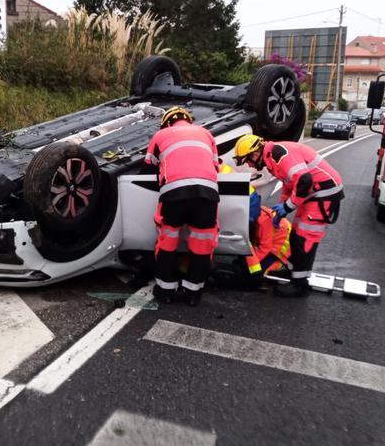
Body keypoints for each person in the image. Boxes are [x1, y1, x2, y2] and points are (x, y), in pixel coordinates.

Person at [233, 134, 344, 297]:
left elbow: (304, 180)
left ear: (255, 154)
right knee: (296, 234)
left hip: (323, 193)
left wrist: (287, 207)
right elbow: (289, 182)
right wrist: (283, 206)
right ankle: (294, 272)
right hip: (312, 193)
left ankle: (300, 285)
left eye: (248, 160)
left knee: (305, 238)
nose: (250, 165)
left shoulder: (279, 154)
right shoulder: (272, 157)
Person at [143, 106, 220, 306]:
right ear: (188, 120)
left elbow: (147, 166)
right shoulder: (206, 133)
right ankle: (193, 293)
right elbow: (216, 165)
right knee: (202, 245)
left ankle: (165, 291)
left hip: (174, 193)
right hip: (207, 194)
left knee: (168, 241)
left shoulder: (161, 135)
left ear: (167, 122)